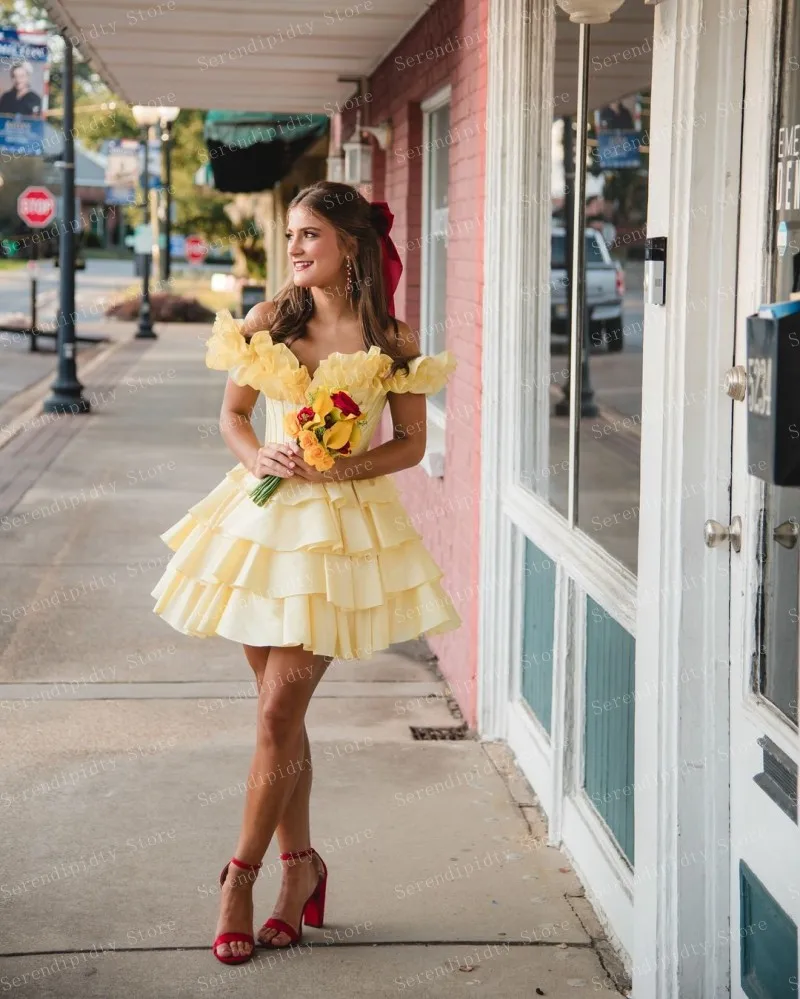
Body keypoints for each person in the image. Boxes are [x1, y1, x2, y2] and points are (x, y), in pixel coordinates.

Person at [150, 180, 461, 965]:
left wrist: (341, 467)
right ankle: (303, 868)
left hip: (340, 539)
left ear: (349, 245)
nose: (294, 249)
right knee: (277, 718)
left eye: (310, 236)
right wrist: (265, 453)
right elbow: (232, 418)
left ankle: (239, 878)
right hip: (261, 529)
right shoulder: (268, 322)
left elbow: (412, 444)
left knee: (274, 716)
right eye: (290, 234)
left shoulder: (390, 339)